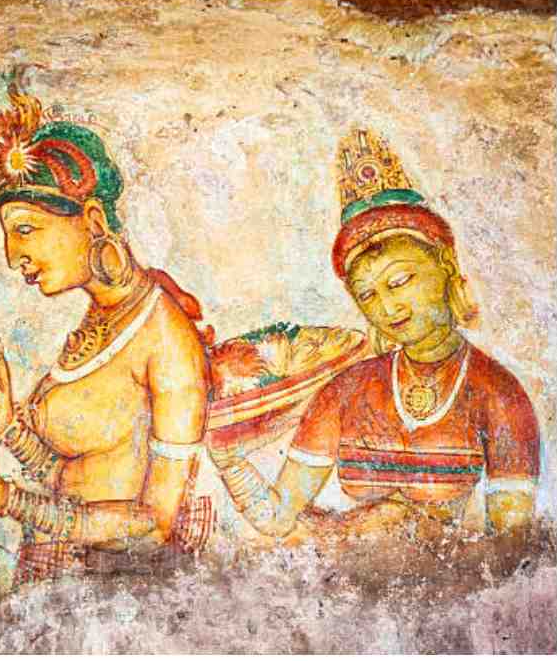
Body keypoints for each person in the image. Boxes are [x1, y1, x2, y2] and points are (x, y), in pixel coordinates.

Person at [0, 80, 215, 582]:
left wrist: (2, 498)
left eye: (25, 230)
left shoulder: (167, 340)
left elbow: (154, 526)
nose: (13, 257)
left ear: (93, 219)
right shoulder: (101, 319)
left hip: (117, 596)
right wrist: (6, 426)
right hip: (58, 583)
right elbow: (71, 478)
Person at [212, 130, 539, 542]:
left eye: (400, 280)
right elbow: (277, 516)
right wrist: (228, 460)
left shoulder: (498, 394)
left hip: (446, 584)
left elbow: (511, 546)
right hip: (347, 576)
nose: (388, 308)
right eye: (368, 294)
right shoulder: (345, 390)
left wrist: (403, 527)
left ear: (445, 268)